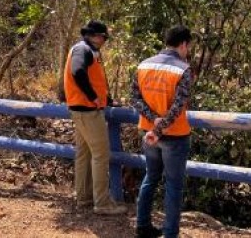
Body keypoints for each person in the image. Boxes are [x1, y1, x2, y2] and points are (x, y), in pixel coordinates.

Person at [131, 25, 193, 238]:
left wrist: (152, 121)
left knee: (150, 178)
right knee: (174, 186)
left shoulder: (143, 65)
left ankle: (142, 225)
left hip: (148, 133)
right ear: (183, 44)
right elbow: (178, 107)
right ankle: (169, 233)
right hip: (174, 136)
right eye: (188, 46)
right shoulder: (183, 69)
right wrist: (160, 127)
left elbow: (135, 99)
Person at [64, 20, 127, 215]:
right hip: (88, 111)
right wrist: (93, 98)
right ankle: (102, 203)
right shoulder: (83, 50)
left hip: (81, 109)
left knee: (84, 154)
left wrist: (107, 100)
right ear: (93, 35)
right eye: (103, 37)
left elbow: (94, 78)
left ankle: (84, 199)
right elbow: (78, 72)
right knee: (101, 155)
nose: (104, 41)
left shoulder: (88, 50)